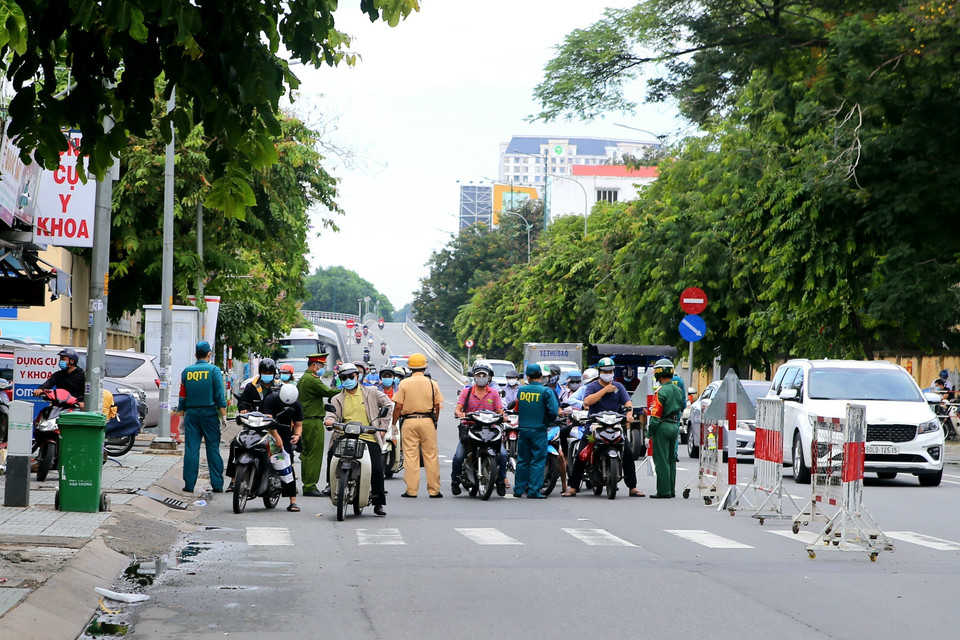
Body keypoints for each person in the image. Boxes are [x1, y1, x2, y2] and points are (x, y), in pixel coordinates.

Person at [563, 357, 644, 497]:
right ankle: (574, 487)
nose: (608, 374)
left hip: (615, 425)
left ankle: (632, 487)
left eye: (610, 371)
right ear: (600, 372)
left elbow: (628, 403)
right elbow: (587, 401)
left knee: (628, 452)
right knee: (582, 453)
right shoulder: (592, 387)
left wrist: (629, 414)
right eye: (605, 371)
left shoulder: (619, 387)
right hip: (595, 426)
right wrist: (605, 390)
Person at [325, 363, 392, 516]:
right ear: (340, 379)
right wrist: (329, 421)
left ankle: (378, 502)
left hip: (368, 435)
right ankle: (330, 484)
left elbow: (388, 405)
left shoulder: (371, 392)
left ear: (357, 376)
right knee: (331, 454)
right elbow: (331, 414)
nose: (348, 379)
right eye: (344, 377)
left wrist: (382, 427)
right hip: (345, 434)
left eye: (351, 376)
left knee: (376, 468)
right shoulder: (337, 398)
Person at [391, 353, 444, 498]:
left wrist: (394, 423)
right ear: (425, 367)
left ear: (410, 367)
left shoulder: (404, 383)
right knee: (431, 456)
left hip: (409, 421)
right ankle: (434, 490)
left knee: (410, 456)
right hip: (428, 421)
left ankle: (411, 490)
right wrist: (435, 421)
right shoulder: (432, 383)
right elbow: (437, 406)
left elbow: (398, 406)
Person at [177, 341, 227, 494]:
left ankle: (189, 485)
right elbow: (219, 395)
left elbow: (182, 396)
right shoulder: (214, 371)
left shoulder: (187, 372)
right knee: (213, 449)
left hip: (192, 415)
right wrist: (224, 416)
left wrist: (181, 417)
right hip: (209, 415)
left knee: (191, 449)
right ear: (209, 354)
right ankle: (217, 484)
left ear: (195, 355)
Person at [452, 363, 509, 497]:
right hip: (470, 428)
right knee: (458, 456)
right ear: (474, 376)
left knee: (503, 455)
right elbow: (457, 410)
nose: (481, 377)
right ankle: (455, 482)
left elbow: (500, 411)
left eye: (484, 375)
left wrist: (504, 417)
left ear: (489, 377)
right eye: (479, 375)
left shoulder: (494, 393)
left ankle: (500, 481)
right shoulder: (466, 392)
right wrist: (462, 414)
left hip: (491, 429)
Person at [511, 364, 558, 498]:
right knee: (537, 460)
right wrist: (548, 422)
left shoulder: (521, 391)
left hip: (523, 430)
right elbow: (553, 411)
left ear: (527, 377)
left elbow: (517, 409)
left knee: (522, 460)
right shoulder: (546, 391)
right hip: (539, 430)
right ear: (541, 376)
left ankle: (519, 489)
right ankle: (533, 490)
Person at [297, 353, 338, 497]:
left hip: (305, 420)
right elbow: (328, 392)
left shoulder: (304, 378)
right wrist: (346, 390)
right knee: (314, 455)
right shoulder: (312, 380)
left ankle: (307, 484)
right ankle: (310, 486)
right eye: (321, 366)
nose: (321, 369)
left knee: (307, 454)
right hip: (313, 421)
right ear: (314, 365)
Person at [262, 383, 304, 511]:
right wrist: (276, 437)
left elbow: (298, 425)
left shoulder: (296, 405)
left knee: (287, 463)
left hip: (285, 432)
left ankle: (293, 501)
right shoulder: (270, 399)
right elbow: (268, 421)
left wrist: (297, 435)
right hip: (267, 429)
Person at [647, 358, 685, 498]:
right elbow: (682, 406)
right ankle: (671, 489)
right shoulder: (677, 390)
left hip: (662, 426)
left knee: (661, 459)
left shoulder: (660, 392)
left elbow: (655, 416)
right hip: (674, 425)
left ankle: (663, 491)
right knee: (671, 459)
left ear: (658, 373)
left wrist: (649, 434)